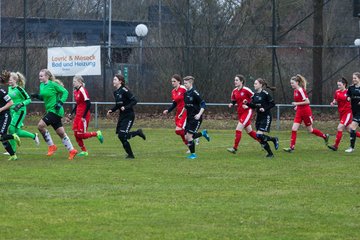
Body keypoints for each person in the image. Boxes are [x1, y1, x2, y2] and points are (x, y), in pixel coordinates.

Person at [31, 69, 78, 160]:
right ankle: (72, 150)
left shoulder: (53, 84)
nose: (39, 77)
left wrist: (60, 103)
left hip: (55, 111)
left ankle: (51, 146)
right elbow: (45, 97)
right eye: (39, 75)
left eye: (42, 75)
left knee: (40, 126)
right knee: (60, 132)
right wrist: (36, 96)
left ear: (47, 76)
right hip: (51, 111)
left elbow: (65, 92)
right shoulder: (42, 85)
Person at [283, 74, 329, 153]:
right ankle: (292, 147)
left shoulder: (301, 90)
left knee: (310, 130)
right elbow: (300, 101)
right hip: (299, 112)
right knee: (294, 129)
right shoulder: (295, 91)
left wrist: (296, 104)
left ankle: (324, 136)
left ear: (297, 82)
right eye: (291, 83)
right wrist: (297, 107)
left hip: (306, 112)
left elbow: (307, 101)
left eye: (292, 83)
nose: (291, 85)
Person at [106, 74, 146, 159]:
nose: (113, 81)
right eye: (113, 79)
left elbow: (134, 101)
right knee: (121, 135)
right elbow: (118, 105)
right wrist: (111, 110)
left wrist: (126, 107)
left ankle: (131, 154)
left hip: (129, 115)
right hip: (122, 116)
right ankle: (137, 134)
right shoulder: (115, 92)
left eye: (115, 79)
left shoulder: (125, 90)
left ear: (120, 81)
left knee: (122, 135)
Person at [66, 75, 104, 157]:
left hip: (84, 115)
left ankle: (97, 133)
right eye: (73, 81)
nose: (73, 83)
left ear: (80, 82)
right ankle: (84, 151)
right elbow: (78, 104)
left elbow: (88, 103)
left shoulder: (83, 90)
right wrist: (71, 113)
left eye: (75, 81)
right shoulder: (75, 91)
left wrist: (83, 116)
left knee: (81, 135)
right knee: (76, 134)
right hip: (78, 115)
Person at [6, 72, 40, 155]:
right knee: (16, 132)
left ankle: (12, 150)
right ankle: (34, 136)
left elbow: (28, 99)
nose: (9, 81)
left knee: (11, 129)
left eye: (10, 80)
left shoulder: (19, 89)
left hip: (20, 111)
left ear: (15, 80)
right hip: (12, 111)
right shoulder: (9, 88)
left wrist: (20, 104)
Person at [245, 78, 279, 158]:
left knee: (259, 135)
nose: (254, 85)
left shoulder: (265, 94)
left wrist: (264, 108)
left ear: (261, 85)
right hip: (259, 117)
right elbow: (253, 106)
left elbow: (272, 104)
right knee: (259, 138)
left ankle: (274, 139)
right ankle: (270, 154)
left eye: (256, 83)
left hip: (266, 116)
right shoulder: (255, 95)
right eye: (254, 83)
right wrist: (247, 104)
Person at [178, 75, 210, 159]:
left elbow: (203, 104)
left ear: (191, 83)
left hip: (196, 118)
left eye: (186, 83)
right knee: (186, 137)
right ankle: (203, 133)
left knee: (189, 136)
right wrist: (181, 113)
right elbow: (186, 105)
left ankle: (193, 154)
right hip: (189, 118)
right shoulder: (185, 93)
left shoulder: (195, 93)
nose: (185, 85)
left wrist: (199, 114)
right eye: (184, 83)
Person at [227, 74, 259, 154]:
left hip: (247, 112)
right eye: (235, 80)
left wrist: (248, 104)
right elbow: (234, 100)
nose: (235, 81)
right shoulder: (234, 91)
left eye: (237, 80)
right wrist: (232, 104)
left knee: (238, 129)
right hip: (240, 112)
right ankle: (263, 141)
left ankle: (235, 148)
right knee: (250, 132)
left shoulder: (246, 90)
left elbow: (254, 97)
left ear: (241, 81)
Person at [328, 77, 360, 151]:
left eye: (340, 85)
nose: (338, 87)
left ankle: (335, 146)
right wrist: (333, 103)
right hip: (341, 113)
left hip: (348, 112)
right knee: (350, 130)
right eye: (338, 85)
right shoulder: (337, 92)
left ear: (344, 84)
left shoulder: (349, 91)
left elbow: (354, 99)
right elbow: (335, 99)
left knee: (340, 127)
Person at [0, 70, 21, 160]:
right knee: (3, 139)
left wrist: (0, 109)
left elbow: (11, 103)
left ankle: (13, 136)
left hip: (5, 116)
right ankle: (13, 155)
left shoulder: (1, 92)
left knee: (1, 136)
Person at [162, 74, 188, 146]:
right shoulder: (173, 91)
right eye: (172, 81)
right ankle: (189, 144)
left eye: (174, 81)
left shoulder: (183, 88)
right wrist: (168, 110)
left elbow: (190, 97)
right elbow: (174, 103)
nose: (172, 83)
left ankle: (192, 136)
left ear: (179, 81)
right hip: (178, 112)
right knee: (179, 131)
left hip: (185, 111)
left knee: (178, 130)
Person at [344, 72, 360, 153]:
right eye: (353, 78)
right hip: (355, 110)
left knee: (352, 127)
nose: (353, 80)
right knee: (353, 128)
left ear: (359, 78)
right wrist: (348, 98)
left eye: (355, 78)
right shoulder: (351, 87)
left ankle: (351, 147)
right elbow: (348, 95)